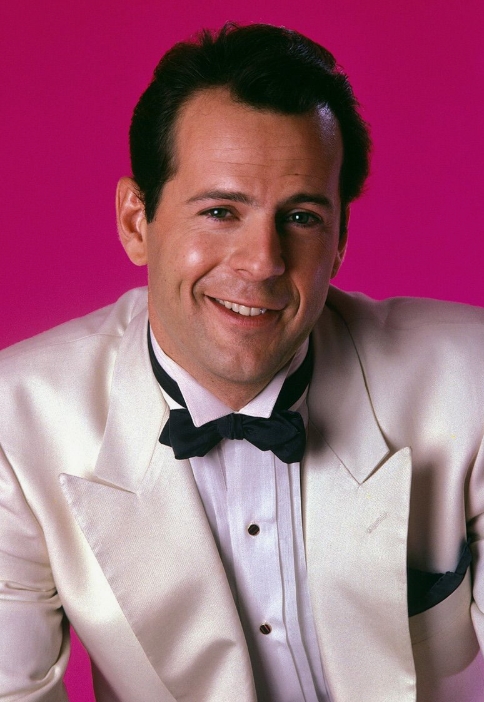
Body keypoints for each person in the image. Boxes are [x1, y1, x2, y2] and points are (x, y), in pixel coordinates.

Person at [0, 22, 483, 702]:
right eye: (221, 211)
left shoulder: (471, 380)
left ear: (341, 240)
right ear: (137, 222)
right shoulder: (16, 426)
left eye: (302, 217)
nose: (262, 263)